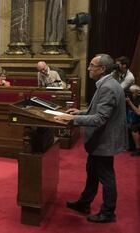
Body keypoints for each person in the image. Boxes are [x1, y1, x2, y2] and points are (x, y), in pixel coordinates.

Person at [55, 54, 127, 223]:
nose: (89, 68)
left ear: (102, 69)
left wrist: (73, 120)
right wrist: (80, 112)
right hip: (101, 141)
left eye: (92, 65)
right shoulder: (107, 83)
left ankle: (108, 213)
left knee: (106, 177)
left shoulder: (108, 87)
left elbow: (100, 118)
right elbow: (98, 112)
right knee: (92, 173)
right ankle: (84, 203)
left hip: (104, 141)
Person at [125, 84, 140, 156]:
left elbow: (138, 112)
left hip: (138, 120)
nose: (130, 94)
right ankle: (131, 146)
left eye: (132, 92)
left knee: (134, 128)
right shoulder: (131, 98)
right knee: (127, 126)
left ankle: (138, 149)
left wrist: (130, 103)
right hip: (133, 120)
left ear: (137, 93)